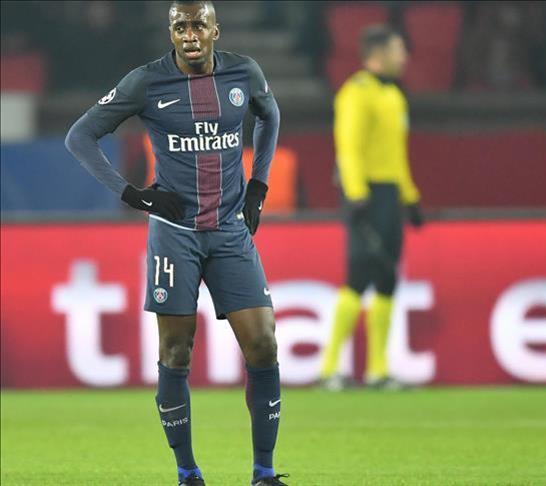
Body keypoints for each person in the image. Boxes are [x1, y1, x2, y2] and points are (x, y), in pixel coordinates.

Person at [64, 2, 288, 485]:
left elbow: (270, 115)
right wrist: (132, 194)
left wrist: (259, 184)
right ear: (171, 33)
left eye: (198, 25)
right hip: (175, 236)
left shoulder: (243, 73)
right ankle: (188, 473)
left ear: (214, 31)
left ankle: (264, 473)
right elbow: (80, 137)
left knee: (264, 344)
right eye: (180, 26)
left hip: (230, 230)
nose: (189, 35)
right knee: (176, 351)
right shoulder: (146, 82)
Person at [318, 25, 424, 390]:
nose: (404, 57)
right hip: (367, 194)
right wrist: (356, 194)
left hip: (390, 195)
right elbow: (348, 147)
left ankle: (378, 370)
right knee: (359, 275)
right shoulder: (356, 93)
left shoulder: (394, 96)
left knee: (387, 278)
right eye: (398, 50)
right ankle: (329, 368)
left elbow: (397, 155)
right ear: (377, 55)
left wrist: (410, 196)